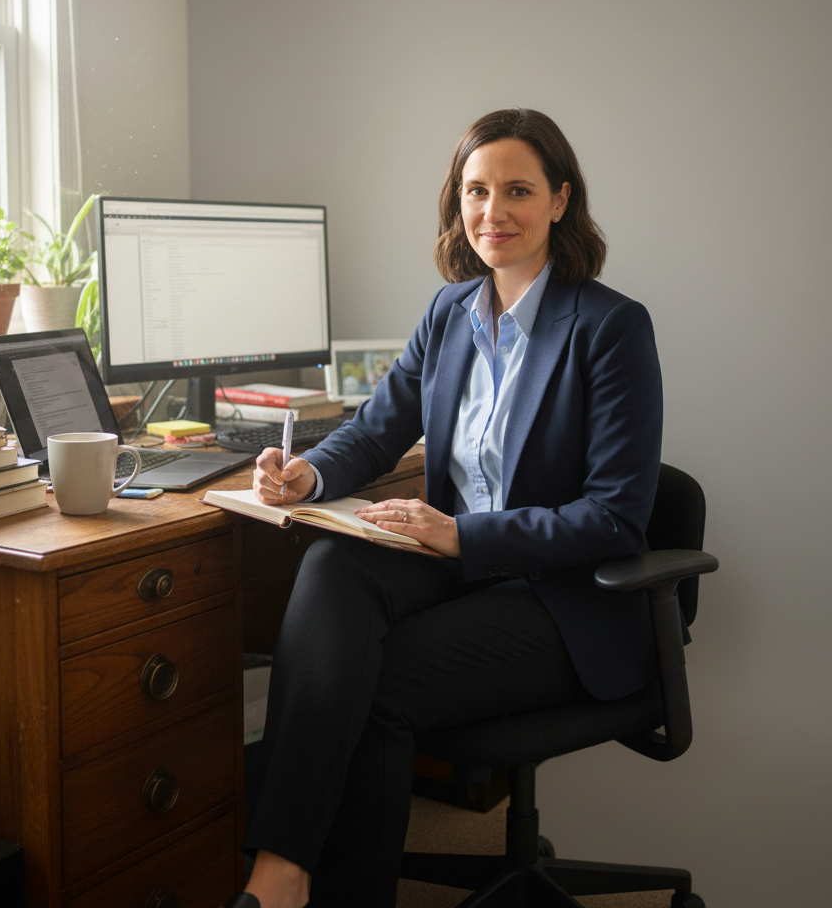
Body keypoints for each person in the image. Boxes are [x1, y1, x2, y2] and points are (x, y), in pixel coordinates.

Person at [225, 108, 663, 908]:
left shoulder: (610, 328)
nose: (493, 212)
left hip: (563, 601)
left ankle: (323, 890)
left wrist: (464, 535)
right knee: (333, 562)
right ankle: (281, 869)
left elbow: (616, 517)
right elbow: (373, 432)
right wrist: (307, 478)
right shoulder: (449, 313)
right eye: (476, 191)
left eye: (518, 191)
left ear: (561, 200)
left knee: (378, 684)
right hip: (462, 571)